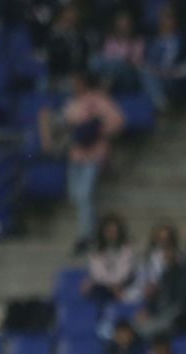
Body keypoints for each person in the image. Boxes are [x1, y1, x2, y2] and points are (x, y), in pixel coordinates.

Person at [41, 71, 126, 253]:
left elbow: (118, 121)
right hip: (76, 155)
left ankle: (86, 237)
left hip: (95, 154)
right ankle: (90, 232)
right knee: (75, 195)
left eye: (77, 82)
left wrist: (98, 130)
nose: (74, 86)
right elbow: (64, 123)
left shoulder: (99, 99)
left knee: (85, 195)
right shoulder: (73, 102)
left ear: (85, 83)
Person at [85, 214, 137, 301]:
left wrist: (115, 284)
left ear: (120, 233)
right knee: (96, 291)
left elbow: (125, 272)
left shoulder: (127, 250)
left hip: (122, 285)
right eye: (108, 231)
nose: (112, 235)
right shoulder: (96, 251)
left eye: (115, 232)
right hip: (103, 287)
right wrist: (111, 286)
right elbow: (97, 273)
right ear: (103, 232)